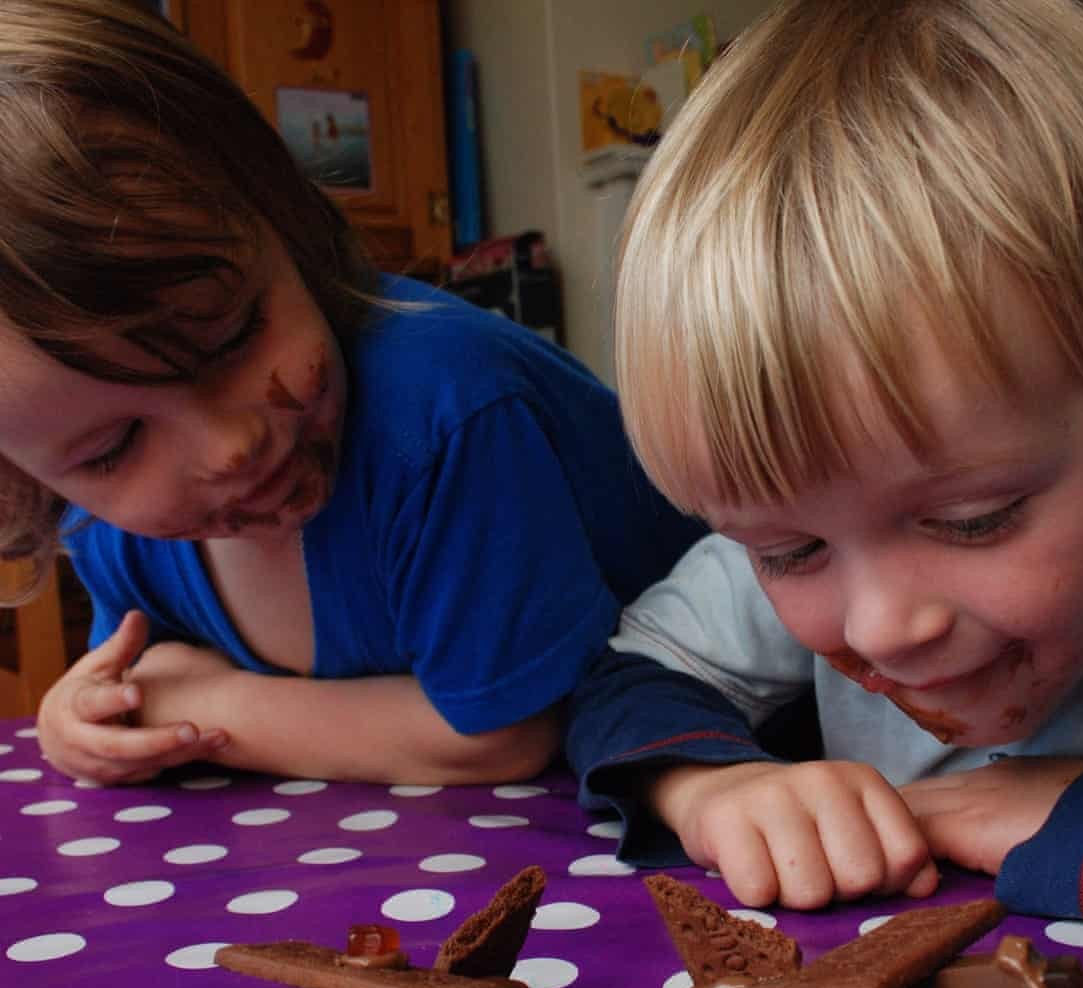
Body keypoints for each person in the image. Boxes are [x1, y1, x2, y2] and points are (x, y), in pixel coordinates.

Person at [565, 0, 1083, 949]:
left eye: (973, 519)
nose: (881, 627)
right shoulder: (839, 500)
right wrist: (713, 784)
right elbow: (629, 677)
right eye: (788, 550)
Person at [0, 0, 703, 788]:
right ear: (25, 475)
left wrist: (214, 709)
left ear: (282, 215)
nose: (228, 445)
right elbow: (138, 684)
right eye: (111, 449)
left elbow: (506, 733)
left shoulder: (441, 405)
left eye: (234, 336)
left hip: (740, 759)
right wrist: (83, 712)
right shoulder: (104, 525)